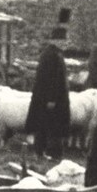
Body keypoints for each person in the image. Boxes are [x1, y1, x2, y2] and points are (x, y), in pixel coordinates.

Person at [25, 26, 70, 160]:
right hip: (51, 99)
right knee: (49, 125)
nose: (66, 42)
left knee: (47, 124)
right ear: (56, 40)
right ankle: (49, 152)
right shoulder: (51, 55)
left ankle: (44, 152)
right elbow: (50, 78)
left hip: (54, 97)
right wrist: (51, 99)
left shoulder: (55, 53)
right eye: (64, 40)